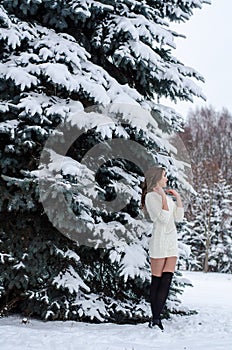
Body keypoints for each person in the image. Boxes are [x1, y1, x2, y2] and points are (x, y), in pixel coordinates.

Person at [141, 166, 184, 331]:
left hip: (171, 242)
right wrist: (164, 199)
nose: (166, 179)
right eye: (164, 176)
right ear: (157, 177)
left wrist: (177, 198)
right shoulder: (151, 197)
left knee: (167, 281)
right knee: (157, 280)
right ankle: (156, 318)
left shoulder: (164, 196)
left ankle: (157, 318)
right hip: (159, 241)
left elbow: (177, 218)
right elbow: (163, 219)